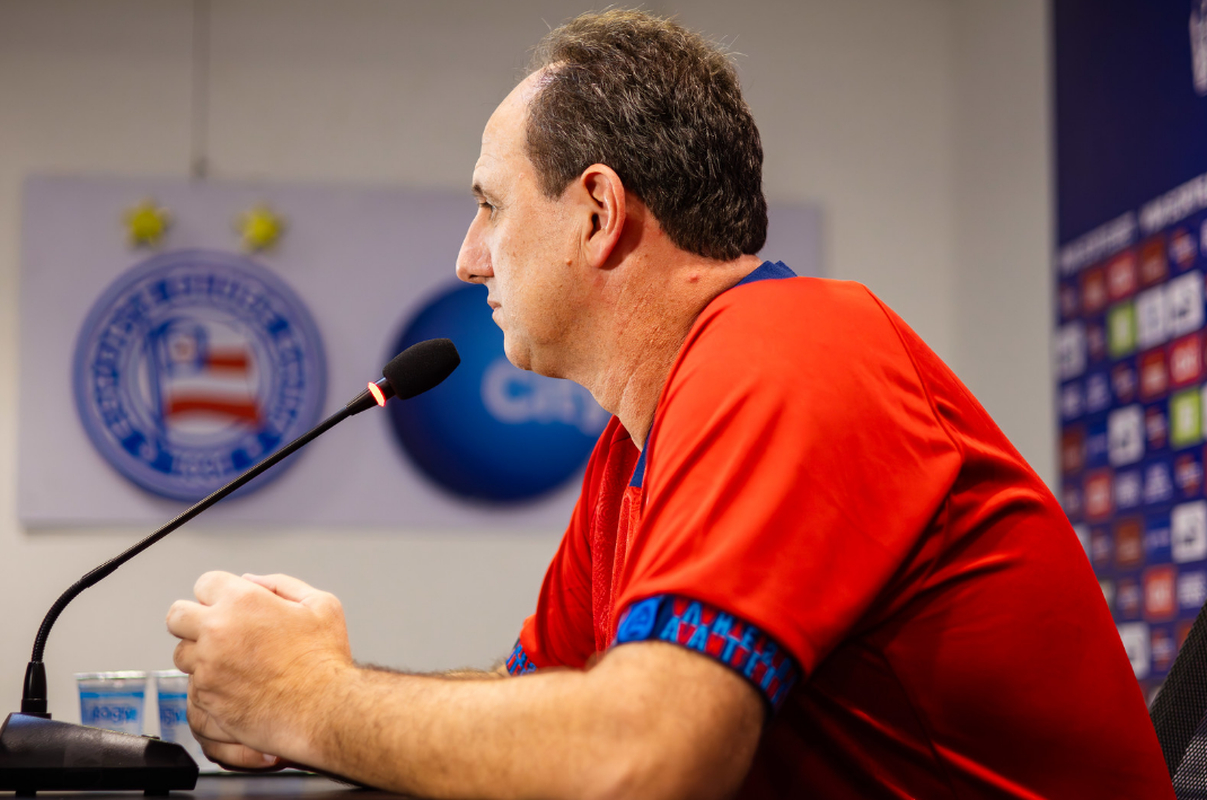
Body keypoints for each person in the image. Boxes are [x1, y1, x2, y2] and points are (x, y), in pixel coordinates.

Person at [166, 9, 1174, 799]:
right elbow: (543, 712)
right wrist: (303, 692)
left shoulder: (789, 346)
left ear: (599, 214)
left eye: (488, 205)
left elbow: (641, 759)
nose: (467, 258)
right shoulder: (640, 433)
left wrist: (310, 698)